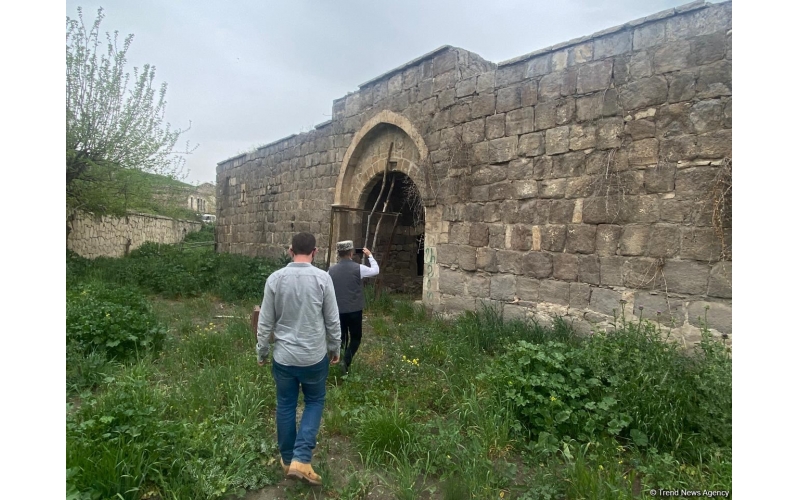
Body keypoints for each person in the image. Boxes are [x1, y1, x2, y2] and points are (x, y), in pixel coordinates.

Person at [256, 232, 341, 485]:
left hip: (283, 358)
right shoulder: (323, 278)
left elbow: (265, 322)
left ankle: (286, 459)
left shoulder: (275, 279)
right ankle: (302, 459)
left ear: (290, 250)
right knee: (314, 401)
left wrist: (262, 351)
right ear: (315, 252)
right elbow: (332, 319)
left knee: (285, 405)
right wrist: (335, 347)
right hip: (314, 358)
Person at [327, 240, 379, 374]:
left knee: (342, 338)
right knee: (356, 338)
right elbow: (375, 271)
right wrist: (370, 256)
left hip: (338, 310)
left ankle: (339, 361)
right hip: (355, 310)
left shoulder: (331, 271)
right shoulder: (358, 268)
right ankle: (346, 360)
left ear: (338, 253)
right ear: (351, 253)